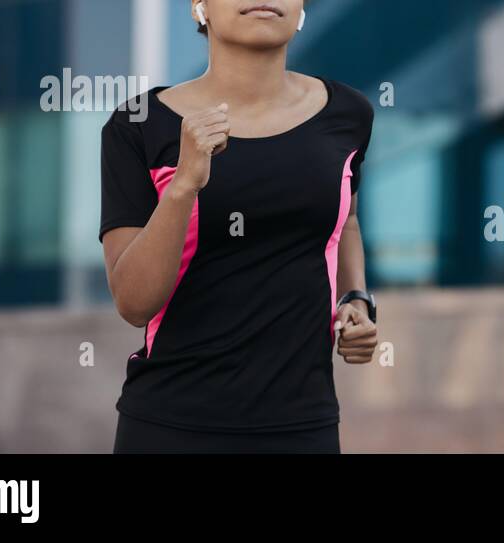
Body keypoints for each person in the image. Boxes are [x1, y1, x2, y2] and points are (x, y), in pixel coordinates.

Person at [99, 0, 378, 453]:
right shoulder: (139, 125)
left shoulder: (348, 114)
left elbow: (345, 219)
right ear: (198, 7)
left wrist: (356, 298)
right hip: (171, 428)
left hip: (303, 428)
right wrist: (183, 185)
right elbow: (134, 303)